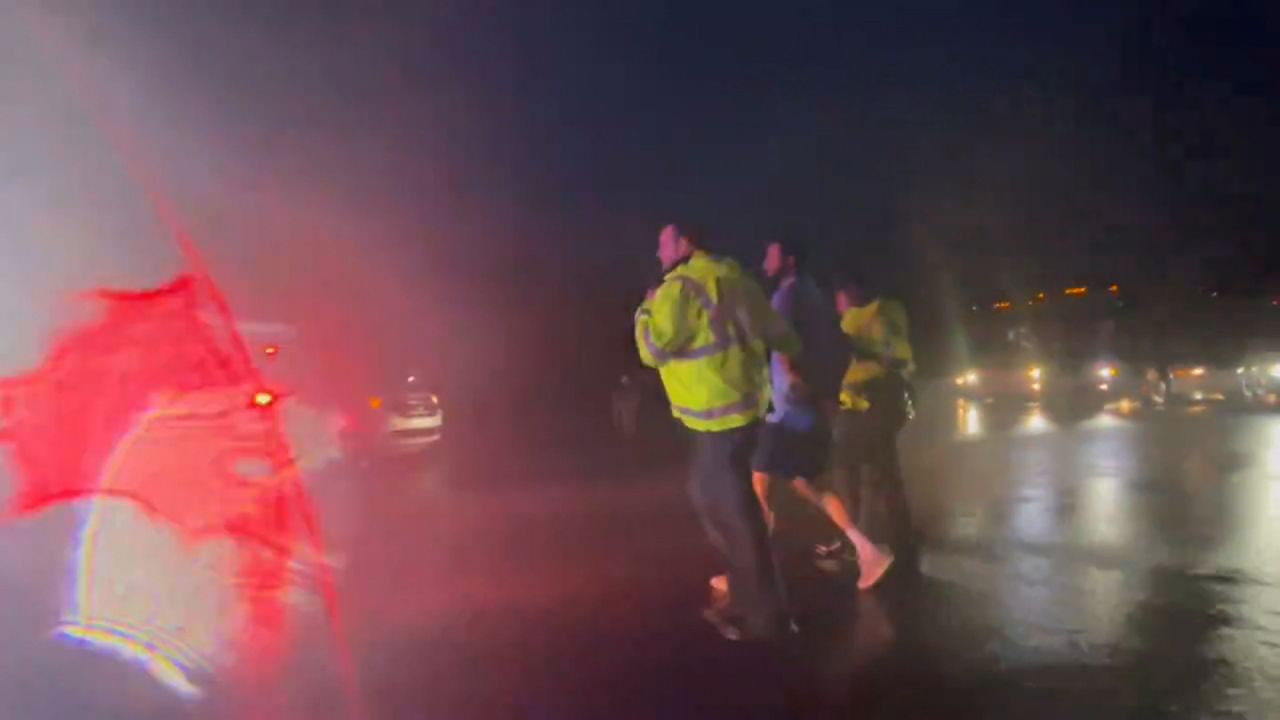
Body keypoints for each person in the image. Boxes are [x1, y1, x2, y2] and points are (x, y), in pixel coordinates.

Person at [635, 223, 799, 641]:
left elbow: (652, 349)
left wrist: (645, 310)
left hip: (713, 420)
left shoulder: (680, 288)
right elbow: (780, 334)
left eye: (663, 243)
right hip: (744, 413)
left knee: (732, 513)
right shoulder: (736, 277)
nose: (659, 253)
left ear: (685, 243)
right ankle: (751, 600)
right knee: (722, 502)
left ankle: (763, 617)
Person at [742, 240, 893, 590]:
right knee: (807, 484)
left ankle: (749, 575)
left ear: (789, 260)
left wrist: (793, 381)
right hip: (805, 409)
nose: (765, 260)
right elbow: (835, 345)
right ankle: (865, 548)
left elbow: (783, 348)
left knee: (757, 485)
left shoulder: (786, 297)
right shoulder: (814, 295)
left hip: (786, 412)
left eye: (771, 254)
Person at [830, 279, 919, 569]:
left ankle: (857, 542)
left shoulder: (879, 313)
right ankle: (899, 542)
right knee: (880, 475)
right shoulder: (875, 313)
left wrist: (857, 348)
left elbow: (893, 355)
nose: (838, 302)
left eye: (840, 295)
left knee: (853, 473)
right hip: (863, 405)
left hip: (870, 405)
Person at [611, 374, 641, 440]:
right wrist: (615, 421)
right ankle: (628, 440)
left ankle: (631, 440)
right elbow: (616, 407)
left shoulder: (633, 390)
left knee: (630, 425)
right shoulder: (618, 392)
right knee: (627, 425)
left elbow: (637, 398)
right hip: (625, 412)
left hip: (630, 411)